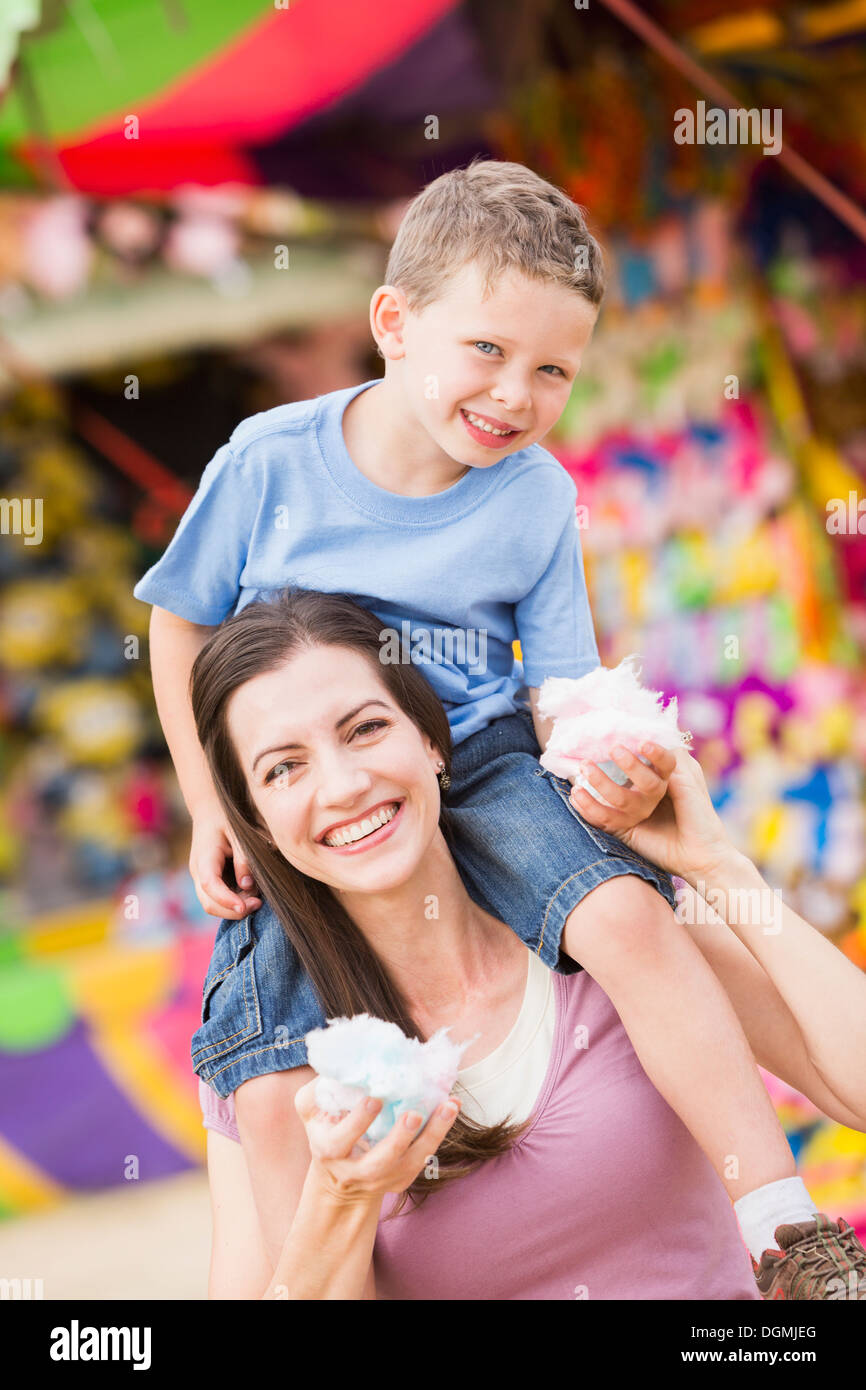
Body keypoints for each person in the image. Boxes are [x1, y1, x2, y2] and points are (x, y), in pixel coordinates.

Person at [134, 158, 844, 1268]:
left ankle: (778, 1219)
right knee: (263, 1056)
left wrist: (617, 774)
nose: (515, 393)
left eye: (551, 369)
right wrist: (205, 798)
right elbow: (176, 621)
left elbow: (562, 685)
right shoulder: (271, 461)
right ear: (394, 322)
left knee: (622, 919)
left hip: (487, 755)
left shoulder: (534, 496)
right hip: (327, 782)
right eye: (486, 351)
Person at [189, 589, 866, 1300]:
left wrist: (715, 867)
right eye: (283, 768)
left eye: (364, 729)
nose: (345, 785)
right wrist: (343, 1197)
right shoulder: (272, 1067)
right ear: (256, 823)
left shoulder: (610, 928)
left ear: (430, 741)